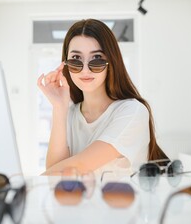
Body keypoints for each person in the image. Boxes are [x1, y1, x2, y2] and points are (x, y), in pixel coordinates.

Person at [37, 19, 167, 176]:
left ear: (111, 62)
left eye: (96, 58)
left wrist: (27, 186)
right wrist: (59, 107)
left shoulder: (132, 111)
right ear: (65, 64)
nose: (85, 70)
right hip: (78, 201)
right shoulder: (69, 114)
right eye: (76, 59)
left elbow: (79, 165)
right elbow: (53, 173)